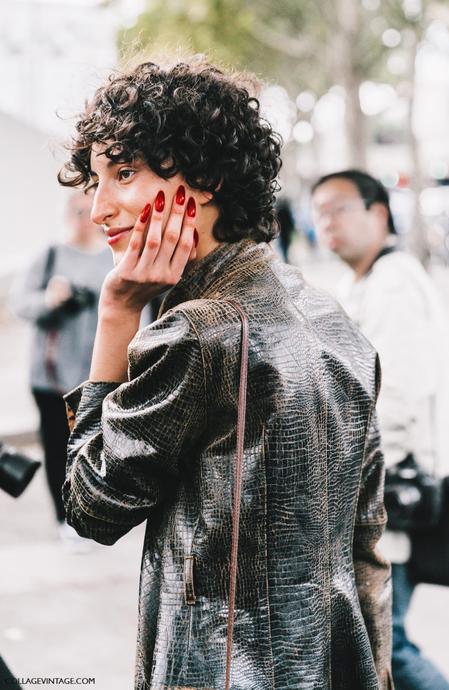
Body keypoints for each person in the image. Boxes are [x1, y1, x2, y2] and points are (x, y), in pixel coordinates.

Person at [58, 59, 392, 690]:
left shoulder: (198, 335)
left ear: (204, 178)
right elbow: (367, 548)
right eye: (93, 182)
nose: (99, 208)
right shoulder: (332, 319)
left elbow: (89, 507)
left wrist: (116, 313)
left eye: (123, 173)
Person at [311, 169, 449, 690]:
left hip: (391, 492)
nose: (326, 221)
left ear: (378, 213)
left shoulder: (394, 279)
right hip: (381, 491)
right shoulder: (360, 281)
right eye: (319, 212)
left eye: (338, 208)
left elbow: (396, 396)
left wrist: (356, 481)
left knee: (386, 645)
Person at [10, 192, 112, 545]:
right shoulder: (50, 254)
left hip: (96, 376)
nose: (84, 217)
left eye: (90, 209)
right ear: (66, 213)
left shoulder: (114, 256)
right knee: (57, 447)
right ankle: (64, 519)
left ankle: (95, 515)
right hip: (50, 376)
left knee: (96, 448)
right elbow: (20, 303)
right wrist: (50, 300)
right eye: (76, 210)